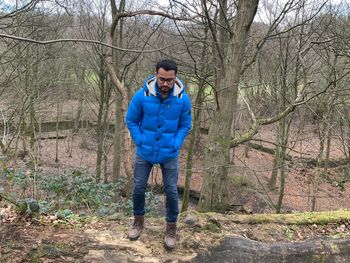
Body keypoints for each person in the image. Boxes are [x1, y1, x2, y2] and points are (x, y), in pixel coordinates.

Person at [126, 59, 192, 250]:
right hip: (144, 150)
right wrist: (139, 139)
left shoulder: (182, 99)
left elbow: (185, 125)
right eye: (162, 79)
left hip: (169, 152)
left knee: (171, 190)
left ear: (175, 78)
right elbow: (131, 119)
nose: (165, 83)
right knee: (138, 187)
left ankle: (171, 227)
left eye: (169, 80)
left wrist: (176, 143)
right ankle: (138, 222)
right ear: (156, 75)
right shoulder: (142, 96)